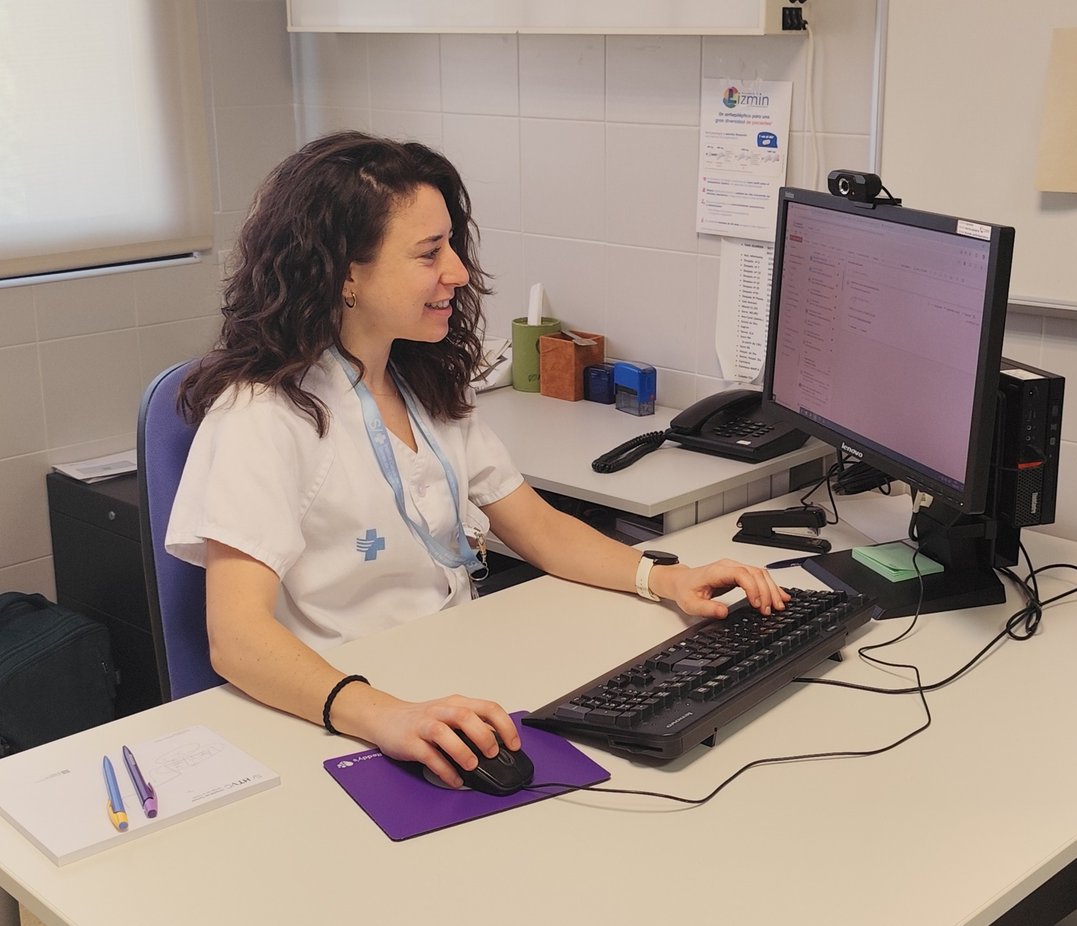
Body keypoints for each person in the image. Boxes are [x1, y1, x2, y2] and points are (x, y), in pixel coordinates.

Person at [166, 131, 788, 790]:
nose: (458, 273)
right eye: (430, 253)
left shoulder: (419, 380)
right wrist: (386, 717)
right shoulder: (260, 416)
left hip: (448, 683)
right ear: (347, 273)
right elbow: (235, 638)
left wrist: (664, 578)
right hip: (346, 712)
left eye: (452, 247)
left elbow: (539, 529)